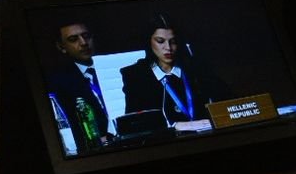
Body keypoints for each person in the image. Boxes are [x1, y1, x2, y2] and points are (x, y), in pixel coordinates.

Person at [119, 16, 231, 126]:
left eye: (173, 42)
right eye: (160, 41)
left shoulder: (196, 67)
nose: (168, 47)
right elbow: (135, 124)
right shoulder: (135, 75)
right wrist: (175, 127)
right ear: (149, 42)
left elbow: (230, 102)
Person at [46, 21, 110, 151]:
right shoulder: (59, 83)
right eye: (73, 39)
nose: (83, 43)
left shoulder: (117, 68)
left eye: (86, 36)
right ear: (61, 47)